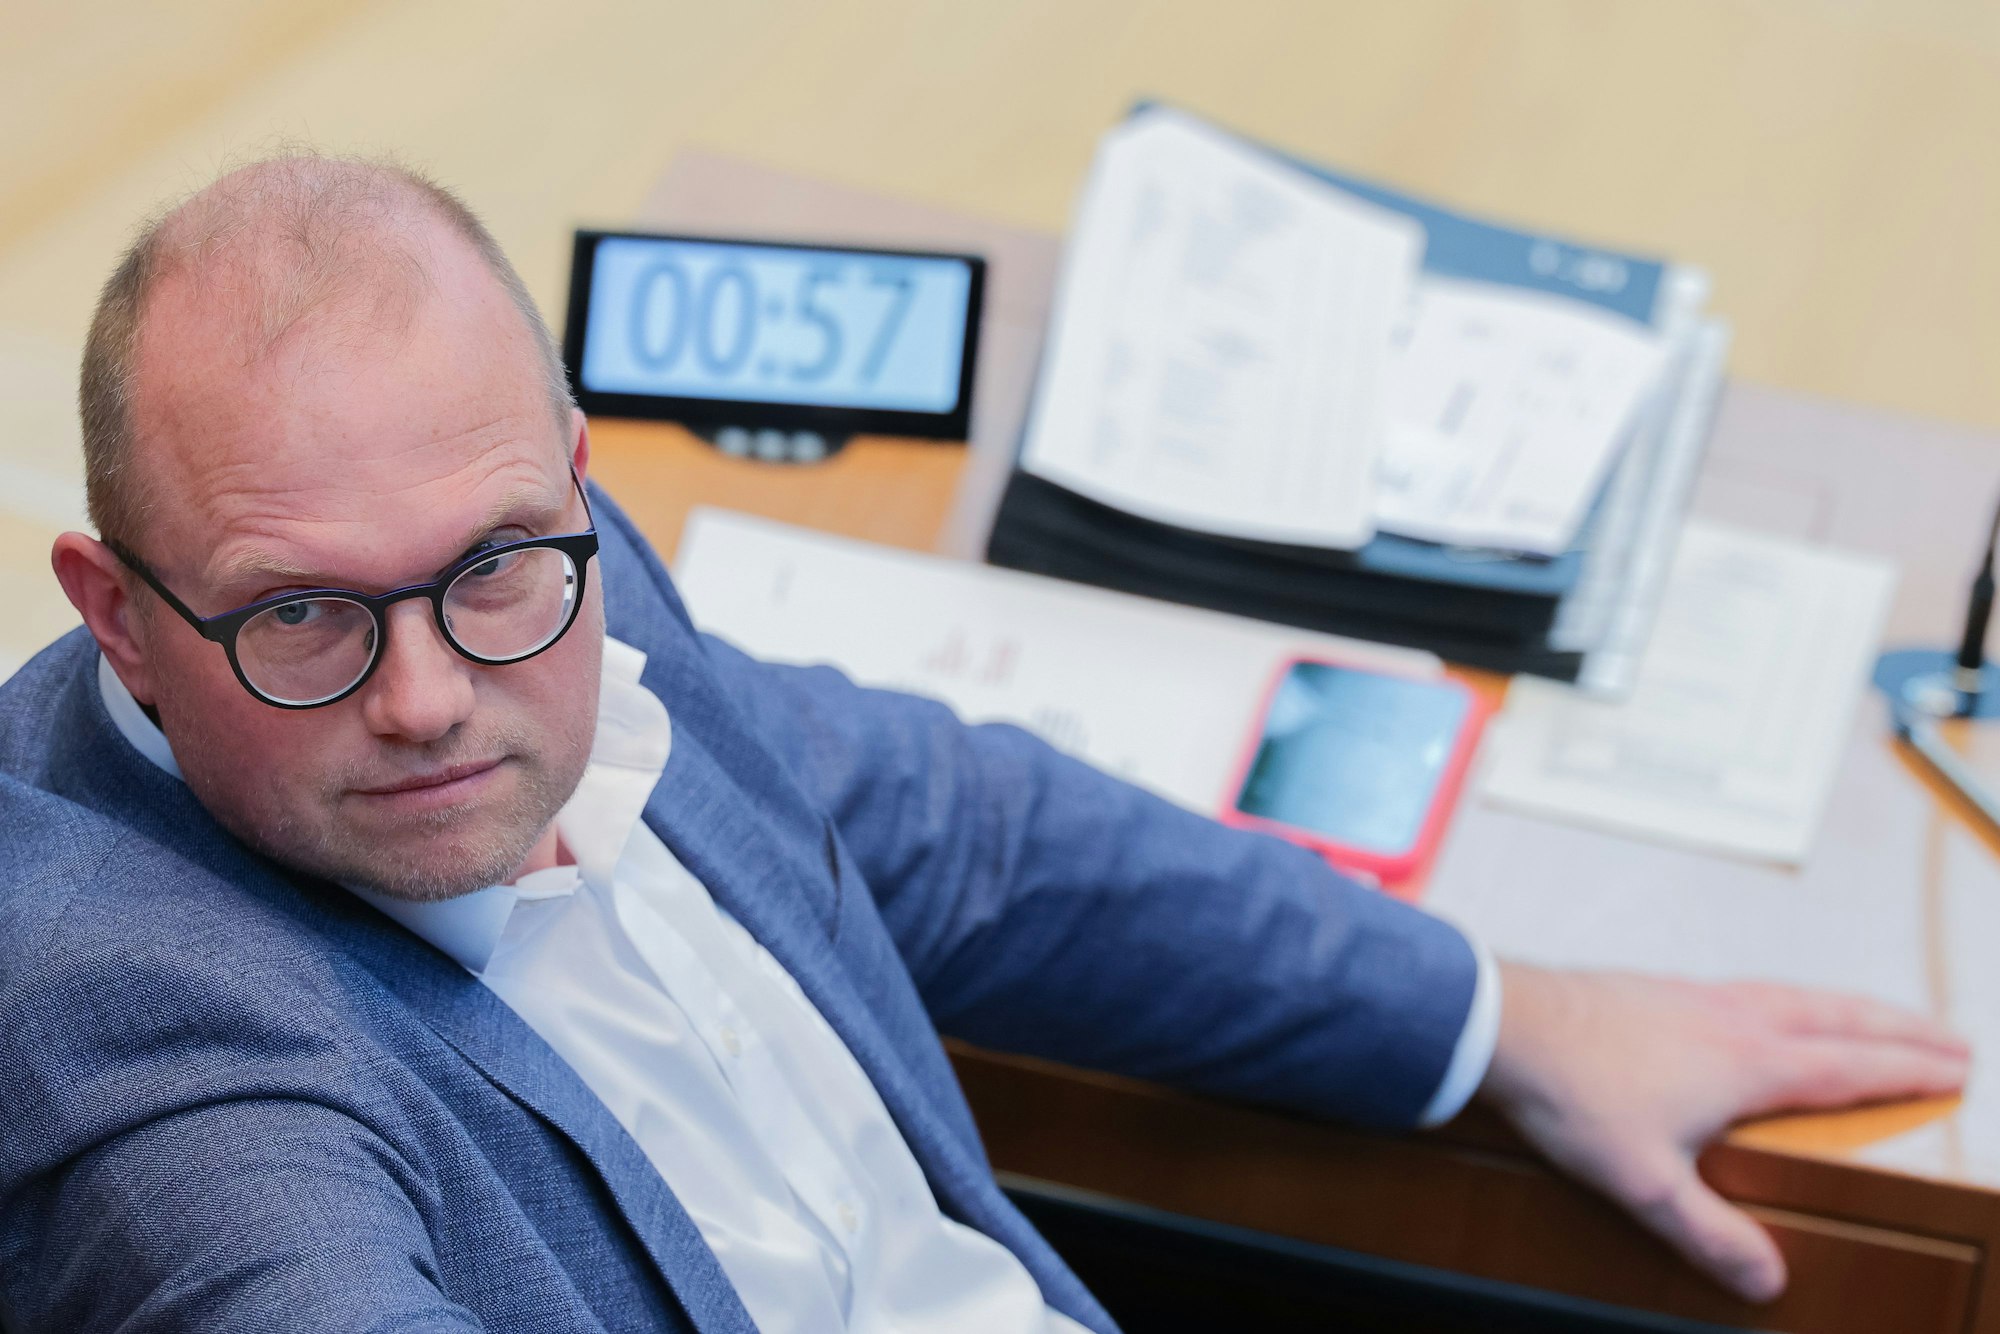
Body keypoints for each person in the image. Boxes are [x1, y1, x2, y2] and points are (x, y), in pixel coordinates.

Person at [0, 152, 1967, 1333]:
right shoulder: (158, 1064)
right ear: (119, 615)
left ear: (569, 484)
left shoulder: (536, 569)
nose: (425, 692)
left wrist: (1497, 1010)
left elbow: (956, 830)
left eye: (496, 566)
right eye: (301, 616)